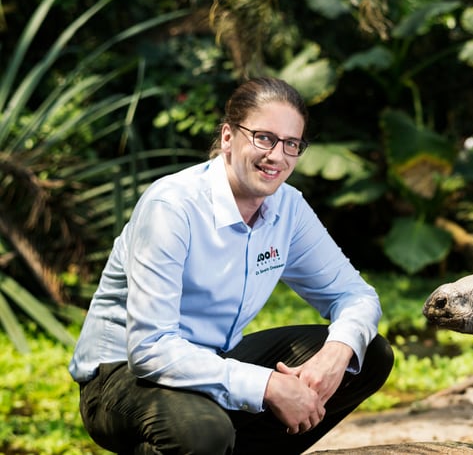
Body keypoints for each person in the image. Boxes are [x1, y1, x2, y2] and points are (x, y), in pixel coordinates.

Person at [68, 77, 394, 454]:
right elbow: (150, 348)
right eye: (264, 138)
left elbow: (356, 295)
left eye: (292, 144)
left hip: (209, 361)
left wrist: (336, 354)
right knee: (203, 434)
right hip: (120, 374)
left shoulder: (287, 207)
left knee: (366, 353)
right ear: (227, 137)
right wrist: (269, 386)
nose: (277, 155)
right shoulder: (172, 207)